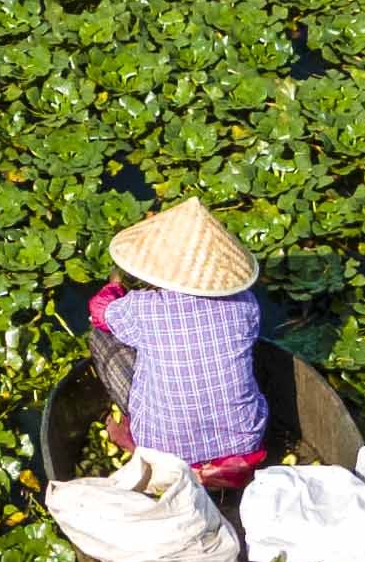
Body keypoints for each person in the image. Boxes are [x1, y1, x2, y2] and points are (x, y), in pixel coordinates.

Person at [87, 197, 270, 489]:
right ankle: (220, 470)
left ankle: (134, 439)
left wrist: (117, 283)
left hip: (165, 453)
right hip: (245, 444)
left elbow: (99, 311)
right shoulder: (246, 303)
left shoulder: (142, 308)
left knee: (101, 337)